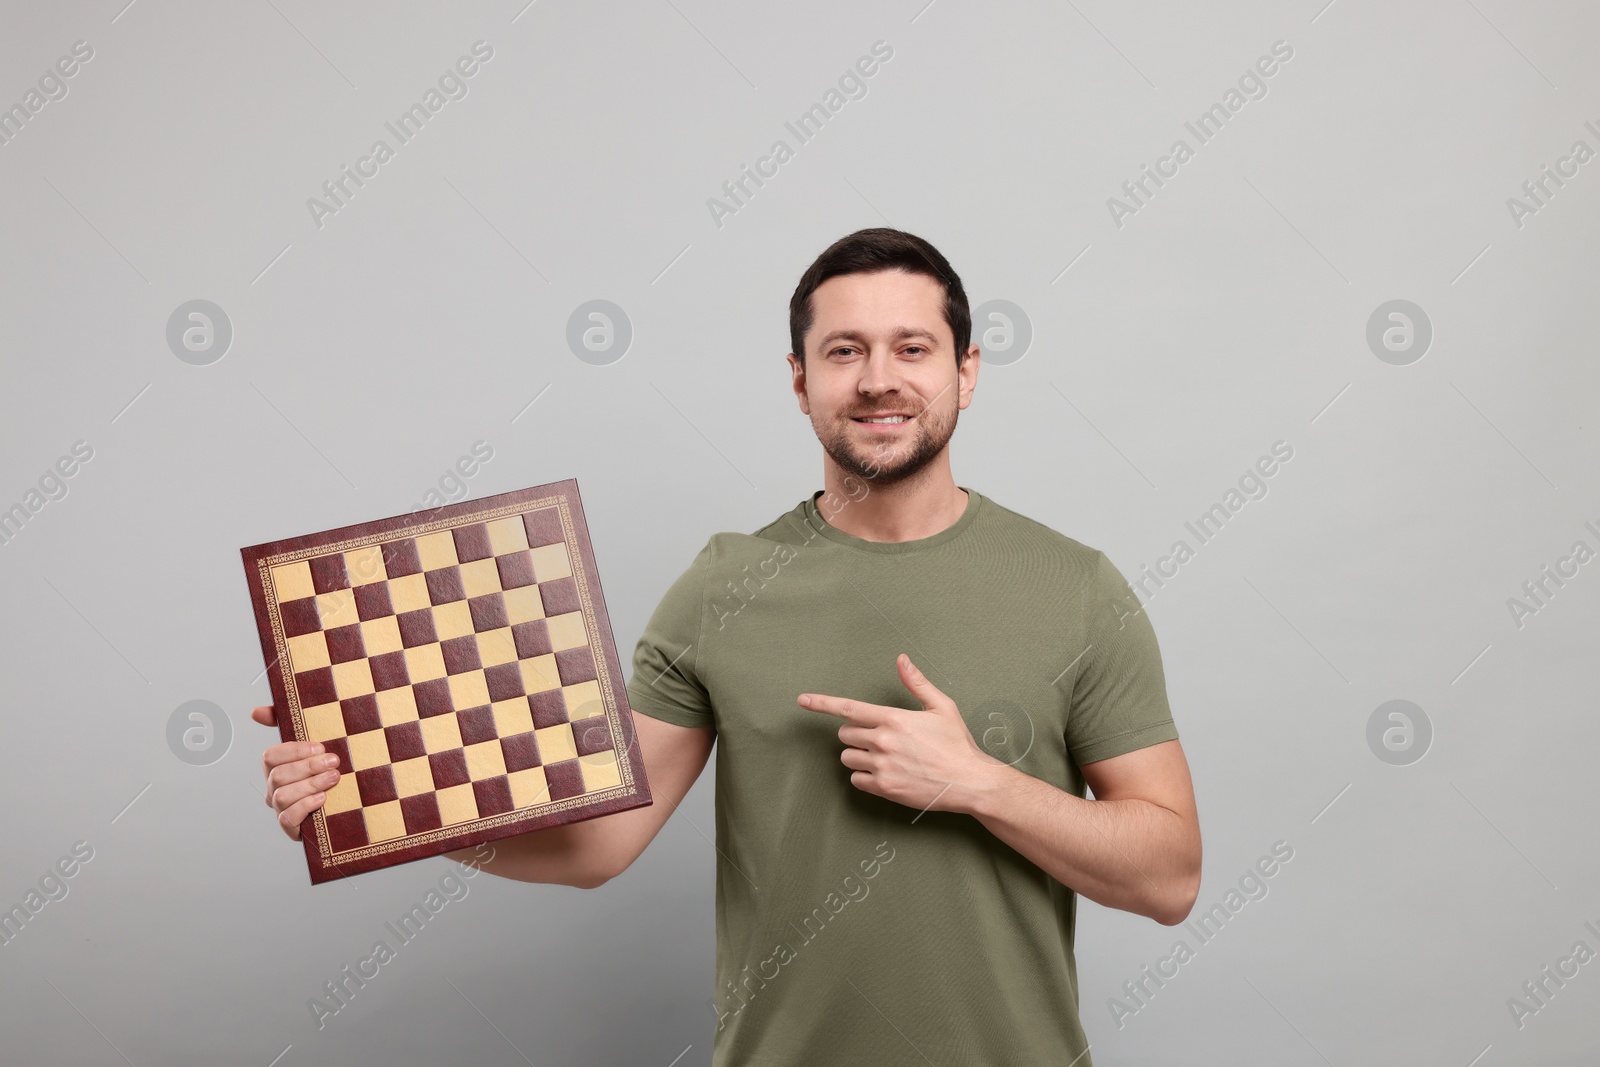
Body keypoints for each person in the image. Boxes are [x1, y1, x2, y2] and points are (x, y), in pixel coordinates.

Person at [255, 227, 1201, 1065]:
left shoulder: (1075, 588)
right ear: (799, 380)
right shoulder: (724, 585)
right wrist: (380, 794)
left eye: (913, 347)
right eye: (844, 351)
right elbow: (596, 842)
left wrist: (980, 783)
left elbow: (1171, 875)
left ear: (967, 370)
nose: (879, 377)